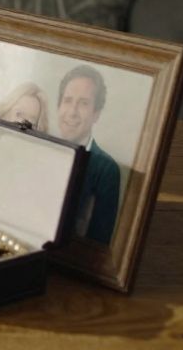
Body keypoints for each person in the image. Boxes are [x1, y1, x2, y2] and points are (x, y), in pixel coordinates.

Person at [56, 64, 121, 245]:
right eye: (68, 100)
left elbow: (97, 243)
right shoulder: (41, 151)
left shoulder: (107, 169)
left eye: (83, 103)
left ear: (96, 114)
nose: (72, 112)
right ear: (58, 106)